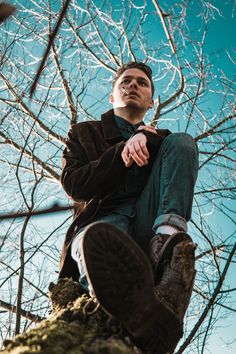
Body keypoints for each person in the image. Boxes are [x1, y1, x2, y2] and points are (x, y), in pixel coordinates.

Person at [59, 62, 199, 353]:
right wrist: (122, 152)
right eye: (125, 81)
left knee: (184, 142)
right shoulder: (83, 133)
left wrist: (145, 136)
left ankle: (166, 240)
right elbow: (75, 185)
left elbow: (176, 164)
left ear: (150, 101)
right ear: (112, 96)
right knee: (96, 240)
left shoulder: (164, 141)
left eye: (142, 83)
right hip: (102, 224)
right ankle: (136, 320)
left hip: (147, 227)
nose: (133, 85)